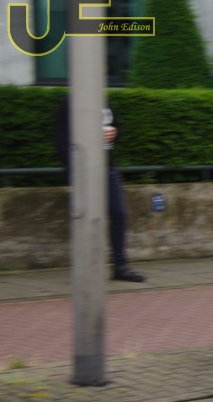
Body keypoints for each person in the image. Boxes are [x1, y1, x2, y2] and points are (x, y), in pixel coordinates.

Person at [54, 95, 147, 283]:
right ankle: (86, 268)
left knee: (119, 214)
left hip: (107, 167)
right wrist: (74, 168)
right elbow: (61, 139)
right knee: (87, 218)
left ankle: (120, 266)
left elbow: (116, 126)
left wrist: (115, 132)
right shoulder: (69, 102)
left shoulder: (104, 100)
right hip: (83, 171)